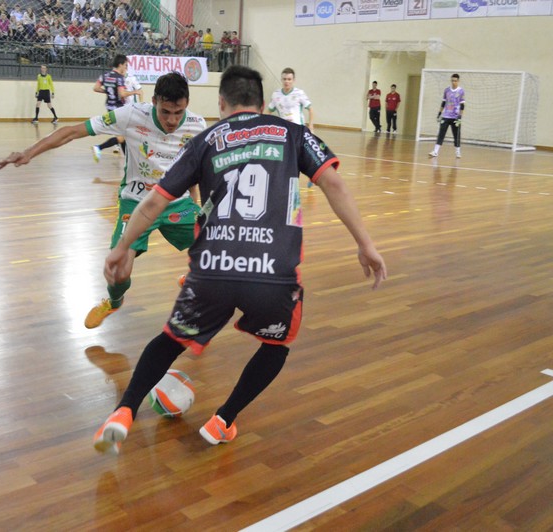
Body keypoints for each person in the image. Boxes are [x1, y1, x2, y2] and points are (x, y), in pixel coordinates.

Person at [90, 65, 387, 456]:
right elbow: (333, 182)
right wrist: (365, 243)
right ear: (264, 104)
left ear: (221, 103)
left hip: (213, 267)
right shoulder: (293, 133)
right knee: (276, 345)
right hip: (273, 272)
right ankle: (223, 420)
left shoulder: (206, 138)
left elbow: (154, 202)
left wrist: (121, 247)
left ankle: (124, 411)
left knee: (170, 340)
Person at [0, 72, 207, 329]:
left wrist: (196, 205)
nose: (172, 120)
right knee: (119, 272)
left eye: (178, 112)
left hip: (176, 202)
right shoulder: (130, 115)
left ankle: (196, 278)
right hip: (136, 203)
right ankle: (113, 302)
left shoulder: (197, 125)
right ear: (153, 102)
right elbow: (72, 132)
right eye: (165, 112)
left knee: (215, 247)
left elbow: (194, 171)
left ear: (187, 104)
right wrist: (29, 153)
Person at [90, 54, 140, 161]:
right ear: (120, 64)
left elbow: (96, 88)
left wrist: (107, 91)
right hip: (119, 109)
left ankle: (128, 160)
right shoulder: (119, 78)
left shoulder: (105, 75)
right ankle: (98, 147)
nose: (126, 68)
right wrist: (134, 92)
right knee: (123, 136)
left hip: (109, 107)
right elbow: (122, 94)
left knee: (122, 135)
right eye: (125, 65)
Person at [429, 73, 465, 159]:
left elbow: (462, 105)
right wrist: (439, 113)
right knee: (441, 134)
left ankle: (458, 152)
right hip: (446, 116)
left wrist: (460, 116)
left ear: (458, 81)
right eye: (452, 80)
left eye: (455, 81)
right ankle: (435, 151)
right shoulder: (447, 90)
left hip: (455, 117)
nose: (453, 82)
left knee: (456, 135)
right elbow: (443, 102)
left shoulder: (461, 91)